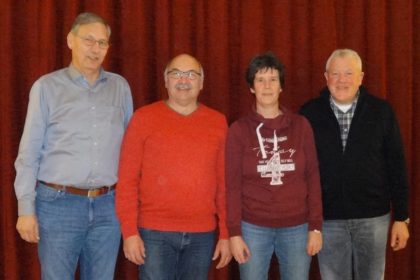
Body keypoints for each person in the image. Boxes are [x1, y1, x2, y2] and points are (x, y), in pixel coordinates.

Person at [14, 12, 133, 280]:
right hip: (58, 206)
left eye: (102, 43)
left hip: (108, 207)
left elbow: (130, 151)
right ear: (70, 40)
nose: (96, 48)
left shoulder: (120, 88)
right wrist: (25, 209)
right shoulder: (46, 87)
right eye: (89, 40)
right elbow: (28, 153)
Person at [116, 53, 232, 279]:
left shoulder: (217, 122)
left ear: (201, 83)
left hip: (202, 235)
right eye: (176, 74)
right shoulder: (143, 118)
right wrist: (129, 231)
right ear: (165, 81)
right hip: (154, 233)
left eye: (191, 75)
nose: (183, 80)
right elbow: (127, 180)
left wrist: (226, 233)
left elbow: (224, 184)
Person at [300, 48, 410, 280]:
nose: (342, 80)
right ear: (326, 77)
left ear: (361, 77)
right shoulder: (309, 114)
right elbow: (301, 171)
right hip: (328, 221)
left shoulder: (381, 112)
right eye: (336, 74)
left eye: (349, 73)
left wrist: (401, 217)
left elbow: (397, 165)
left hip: (373, 219)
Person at [226, 52, 323, 280]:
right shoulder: (238, 130)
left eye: (273, 79)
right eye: (260, 80)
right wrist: (234, 233)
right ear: (251, 87)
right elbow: (231, 186)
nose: (267, 86)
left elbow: (313, 177)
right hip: (252, 228)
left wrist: (315, 227)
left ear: (281, 86)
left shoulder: (301, 126)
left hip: (297, 227)